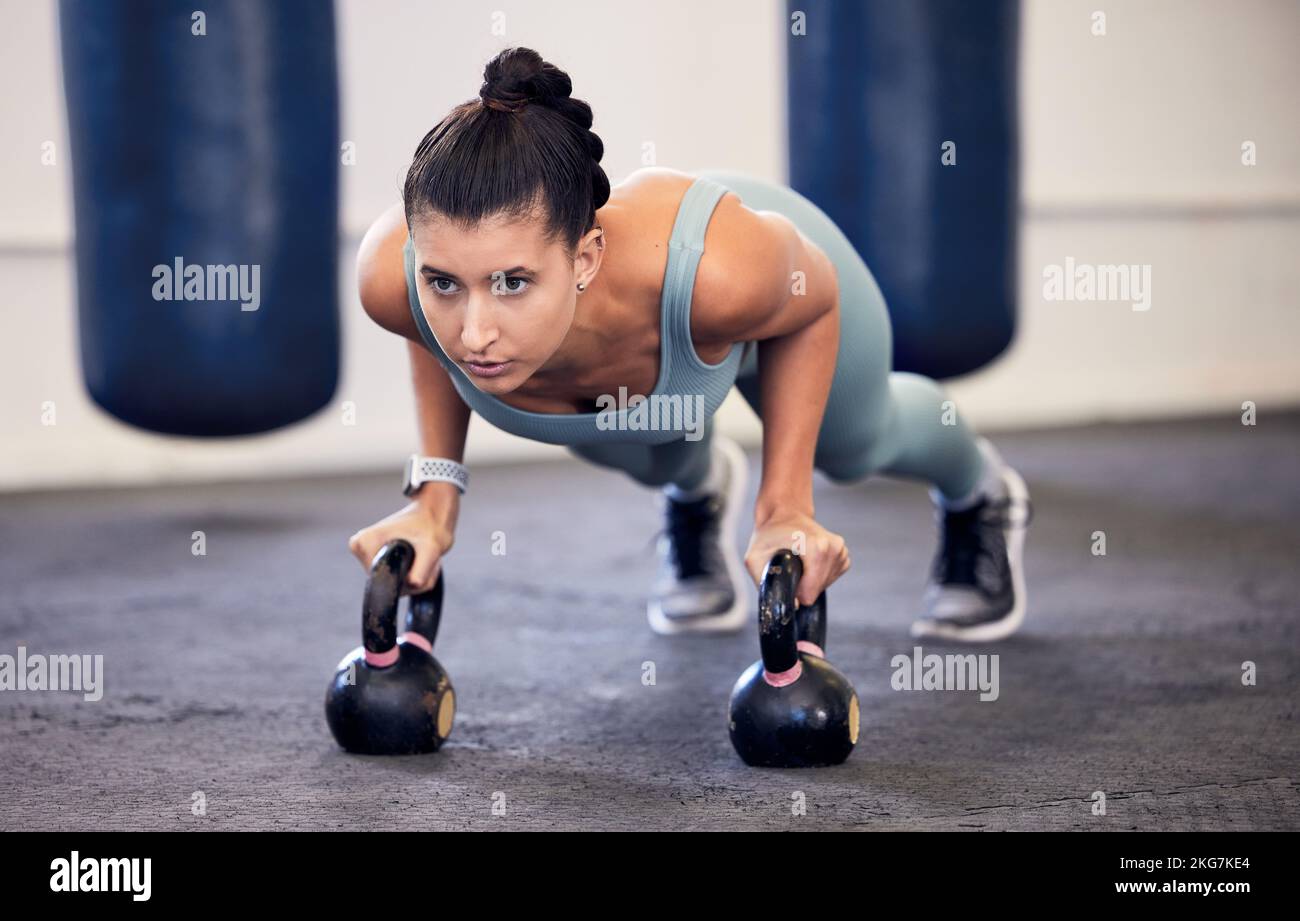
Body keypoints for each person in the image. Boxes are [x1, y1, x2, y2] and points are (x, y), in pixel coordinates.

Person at [349, 47, 1032, 643]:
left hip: (772, 284)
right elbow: (422, 326)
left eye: (512, 282)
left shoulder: (723, 274)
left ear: (584, 259)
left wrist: (786, 506)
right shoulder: (393, 277)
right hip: (652, 364)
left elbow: (813, 301)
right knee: (652, 453)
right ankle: (700, 489)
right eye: (444, 283)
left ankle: (980, 490)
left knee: (855, 445)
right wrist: (435, 498)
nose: (473, 334)